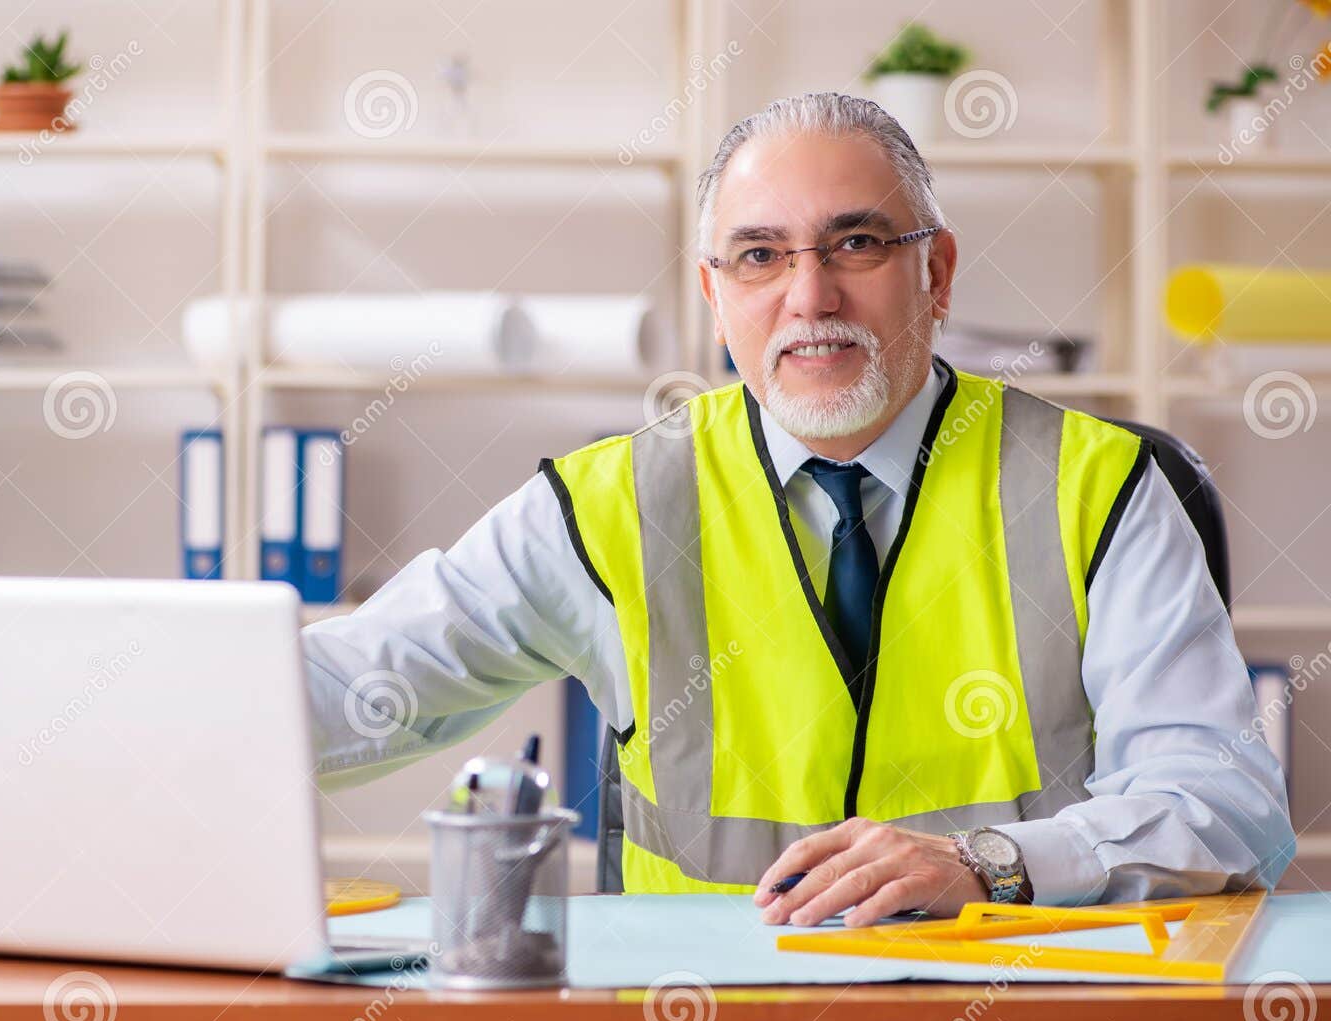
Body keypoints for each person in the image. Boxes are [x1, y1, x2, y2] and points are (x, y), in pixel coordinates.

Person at [301, 93, 1294, 927]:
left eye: (854, 243)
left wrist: (988, 862)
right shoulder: (607, 506)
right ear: (713, 293)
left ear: (935, 272)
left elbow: (1223, 802)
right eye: (760, 256)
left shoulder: (1102, 488)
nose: (809, 295)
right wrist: (161, 693)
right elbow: (363, 683)